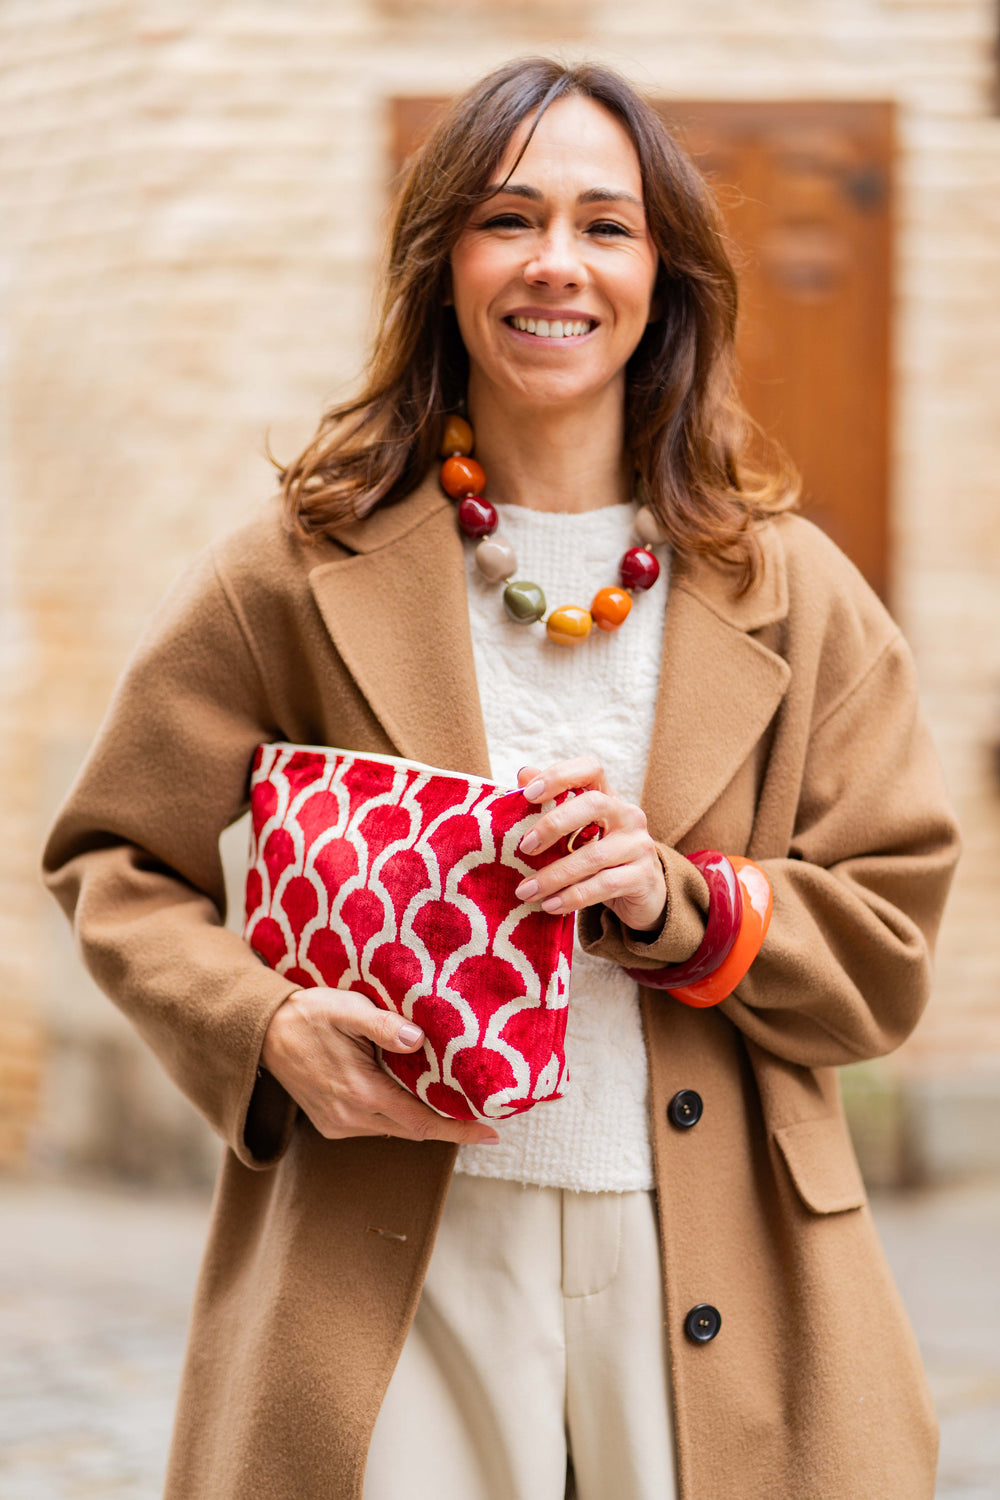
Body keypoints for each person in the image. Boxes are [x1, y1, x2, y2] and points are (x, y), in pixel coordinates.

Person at [42, 56, 960, 1500]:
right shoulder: (292, 566)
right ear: (441, 263)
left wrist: (683, 902)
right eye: (507, 217)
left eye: (607, 224)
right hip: (397, 1264)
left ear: (664, 273)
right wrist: (266, 1027)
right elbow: (114, 861)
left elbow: (892, 940)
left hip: (715, 1251)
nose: (557, 264)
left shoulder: (796, 591)